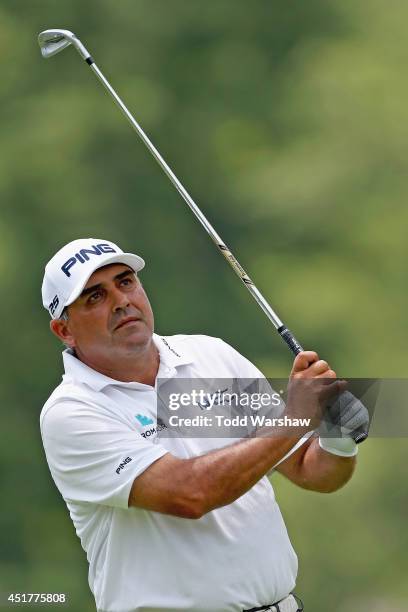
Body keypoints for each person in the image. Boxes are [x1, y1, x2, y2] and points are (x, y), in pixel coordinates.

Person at [40, 238, 368, 612]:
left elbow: (311, 471)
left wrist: (339, 438)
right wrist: (295, 416)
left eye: (126, 281)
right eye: (95, 297)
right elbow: (189, 495)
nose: (121, 301)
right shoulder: (72, 412)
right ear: (64, 331)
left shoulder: (211, 355)